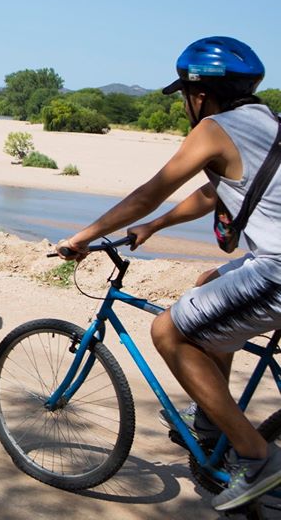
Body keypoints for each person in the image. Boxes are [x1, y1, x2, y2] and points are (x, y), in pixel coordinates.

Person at [57, 36, 281, 511]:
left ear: (198, 94)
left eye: (184, 95)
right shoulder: (268, 123)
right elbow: (213, 194)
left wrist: (85, 235)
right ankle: (210, 419)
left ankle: (258, 456)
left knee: (169, 332)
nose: (185, 105)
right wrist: (154, 227)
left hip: (279, 268)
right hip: (273, 261)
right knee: (208, 285)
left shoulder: (214, 127)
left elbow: (149, 191)